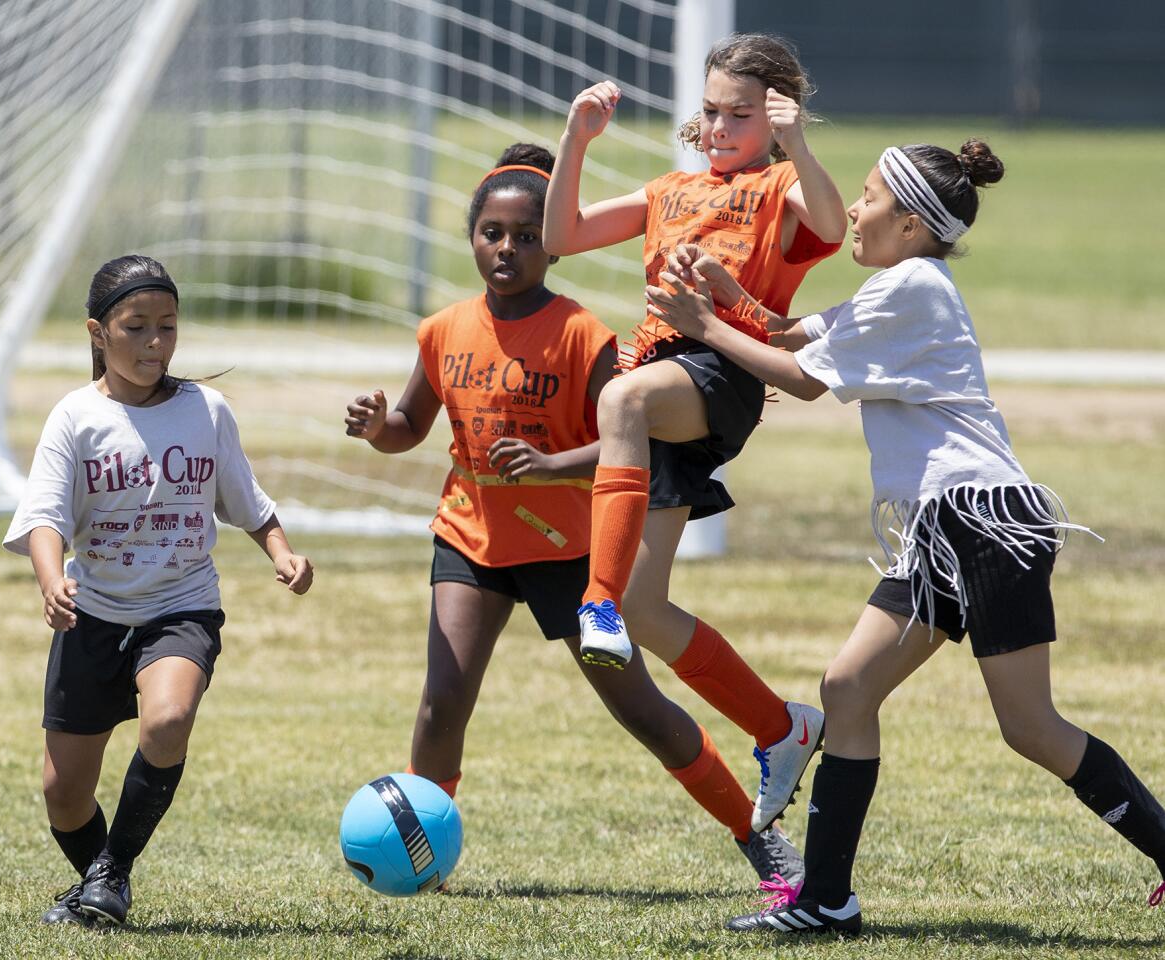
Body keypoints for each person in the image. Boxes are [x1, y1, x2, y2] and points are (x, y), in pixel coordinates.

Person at [645, 139, 1165, 935]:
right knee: (848, 688)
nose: (853, 210)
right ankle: (825, 902)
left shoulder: (912, 287)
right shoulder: (901, 284)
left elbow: (802, 379)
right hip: (942, 526)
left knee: (1029, 727)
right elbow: (790, 336)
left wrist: (703, 327)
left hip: (985, 522)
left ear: (914, 224)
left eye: (866, 196)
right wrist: (726, 298)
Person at [345, 143, 804, 888]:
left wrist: (552, 465)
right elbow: (407, 427)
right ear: (471, 237)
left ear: (551, 250)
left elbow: (628, 442)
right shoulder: (441, 330)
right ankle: (418, 858)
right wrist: (377, 427)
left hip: (568, 548)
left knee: (641, 711)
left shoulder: (582, 335)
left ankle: (756, 839)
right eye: (492, 233)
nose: (506, 249)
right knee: (440, 707)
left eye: (527, 236)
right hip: (471, 538)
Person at [543, 33, 845, 832]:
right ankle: (782, 726)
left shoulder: (782, 181)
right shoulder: (669, 188)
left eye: (738, 115)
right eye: (709, 112)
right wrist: (574, 140)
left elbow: (829, 223)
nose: (718, 128)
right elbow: (561, 236)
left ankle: (593, 604)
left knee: (619, 402)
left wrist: (795, 141)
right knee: (651, 611)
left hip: (717, 372)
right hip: (662, 391)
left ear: (774, 115)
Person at [3, 255, 313, 927]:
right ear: (97, 332)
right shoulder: (75, 418)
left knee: (168, 721)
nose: (155, 343)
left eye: (167, 327)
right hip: (93, 615)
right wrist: (52, 580)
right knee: (63, 796)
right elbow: (44, 518)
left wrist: (283, 552)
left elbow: (247, 501)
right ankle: (99, 884)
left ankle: (109, 876)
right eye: (137, 327)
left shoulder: (205, 410)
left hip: (180, 606)